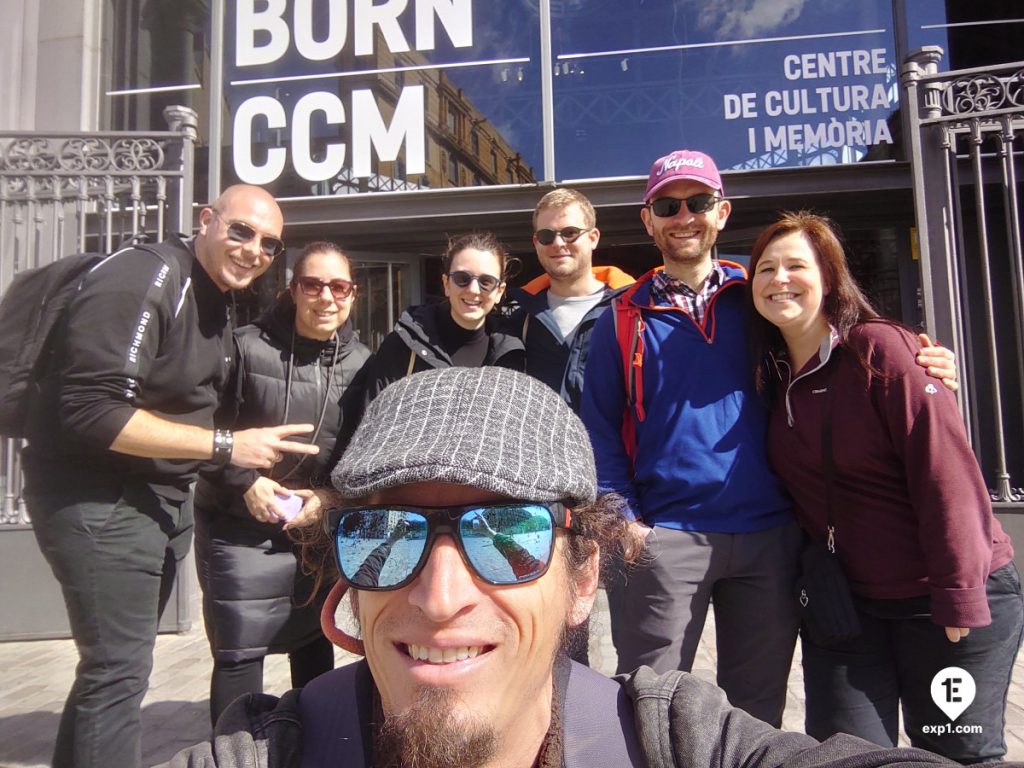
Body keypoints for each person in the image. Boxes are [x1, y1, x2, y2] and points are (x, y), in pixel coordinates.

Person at [164, 366, 994, 768]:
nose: (441, 597)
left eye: (507, 533)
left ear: (584, 576)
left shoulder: (677, 745)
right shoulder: (261, 754)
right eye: (386, 534)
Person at [579, 149, 959, 727]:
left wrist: (920, 359)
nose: (685, 216)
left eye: (699, 202)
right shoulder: (621, 316)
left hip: (772, 536)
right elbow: (599, 426)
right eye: (668, 204)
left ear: (722, 212)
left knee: (755, 712)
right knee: (649, 705)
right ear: (649, 220)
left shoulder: (757, 295)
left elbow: (841, 344)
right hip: (666, 539)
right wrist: (626, 521)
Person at [21, 184, 319, 768]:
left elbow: (188, 405)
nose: (253, 249)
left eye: (268, 243)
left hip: (152, 500)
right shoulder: (147, 275)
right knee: (118, 671)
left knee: (112, 670)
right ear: (205, 220)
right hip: (102, 498)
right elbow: (92, 410)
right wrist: (228, 446)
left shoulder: (215, 297)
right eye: (240, 230)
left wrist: (237, 470)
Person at [747, 210, 1023, 761]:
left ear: (830, 277)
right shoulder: (771, 374)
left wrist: (958, 596)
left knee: (953, 754)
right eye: (765, 269)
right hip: (849, 605)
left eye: (796, 265)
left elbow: (946, 475)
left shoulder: (881, 351)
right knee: (844, 754)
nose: (780, 279)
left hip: (943, 596)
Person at [194, 241, 372, 725]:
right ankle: (232, 747)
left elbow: (362, 456)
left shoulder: (361, 364)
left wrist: (331, 499)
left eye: (340, 286)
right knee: (239, 649)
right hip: (238, 525)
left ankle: (307, 743)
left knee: (312, 641)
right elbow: (203, 430)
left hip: (311, 529)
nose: (326, 297)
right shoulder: (245, 346)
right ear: (293, 290)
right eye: (313, 284)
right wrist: (243, 481)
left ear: (353, 295)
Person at [507, 187, 634, 412]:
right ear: (536, 243)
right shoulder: (519, 322)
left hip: (613, 447)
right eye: (547, 236)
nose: (558, 243)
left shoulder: (631, 311)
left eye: (570, 232)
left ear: (593, 238)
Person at [363, 231, 524, 400]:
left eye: (486, 282)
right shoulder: (404, 345)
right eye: (462, 278)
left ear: (499, 292)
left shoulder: (512, 354)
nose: (473, 290)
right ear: (446, 284)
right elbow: (373, 419)